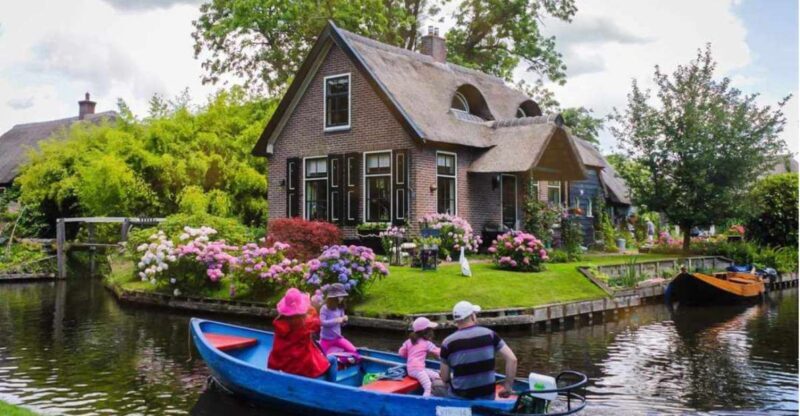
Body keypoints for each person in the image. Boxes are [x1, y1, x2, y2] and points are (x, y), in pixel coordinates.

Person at [439, 301, 518, 400]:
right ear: (472, 316)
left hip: (460, 397)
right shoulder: (490, 334)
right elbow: (512, 359)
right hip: (488, 396)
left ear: (456, 320)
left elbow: (445, 378)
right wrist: (508, 387)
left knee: (436, 385)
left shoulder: (447, 342)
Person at [267, 288, 330, 378]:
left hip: (279, 366)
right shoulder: (306, 325)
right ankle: (331, 383)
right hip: (301, 369)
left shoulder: (278, 324)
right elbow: (317, 322)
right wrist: (310, 305)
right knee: (332, 360)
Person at [399, 317, 441, 397]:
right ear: (426, 332)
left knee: (436, 376)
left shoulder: (408, 342)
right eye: (430, 330)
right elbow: (439, 352)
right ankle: (425, 401)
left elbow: (401, 353)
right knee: (428, 387)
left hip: (412, 369)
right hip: (418, 370)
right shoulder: (427, 343)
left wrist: (410, 355)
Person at [319, 283, 359, 358]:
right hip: (325, 340)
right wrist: (337, 320)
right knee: (322, 358)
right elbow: (322, 323)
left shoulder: (340, 307)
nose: (341, 298)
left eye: (342, 296)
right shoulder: (324, 308)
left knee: (354, 352)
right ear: (333, 297)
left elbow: (342, 324)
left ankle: (341, 360)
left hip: (338, 338)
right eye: (340, 296)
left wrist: (344, 320)